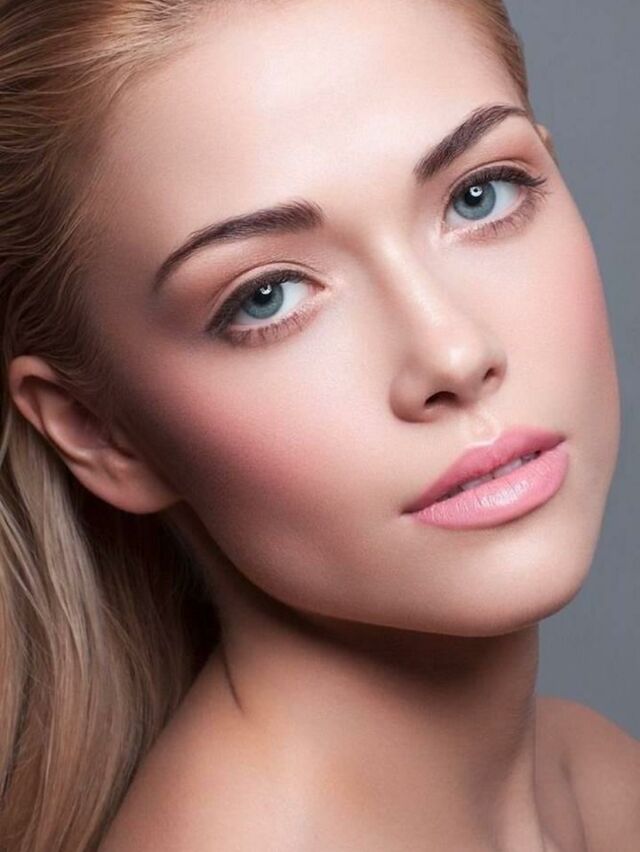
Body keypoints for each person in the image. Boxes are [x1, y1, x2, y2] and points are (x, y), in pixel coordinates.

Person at [1, 0, 638, 849]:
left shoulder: (600, 778)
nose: (453, 354)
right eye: (266, 296)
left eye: (479, 195)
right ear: (97, 430)